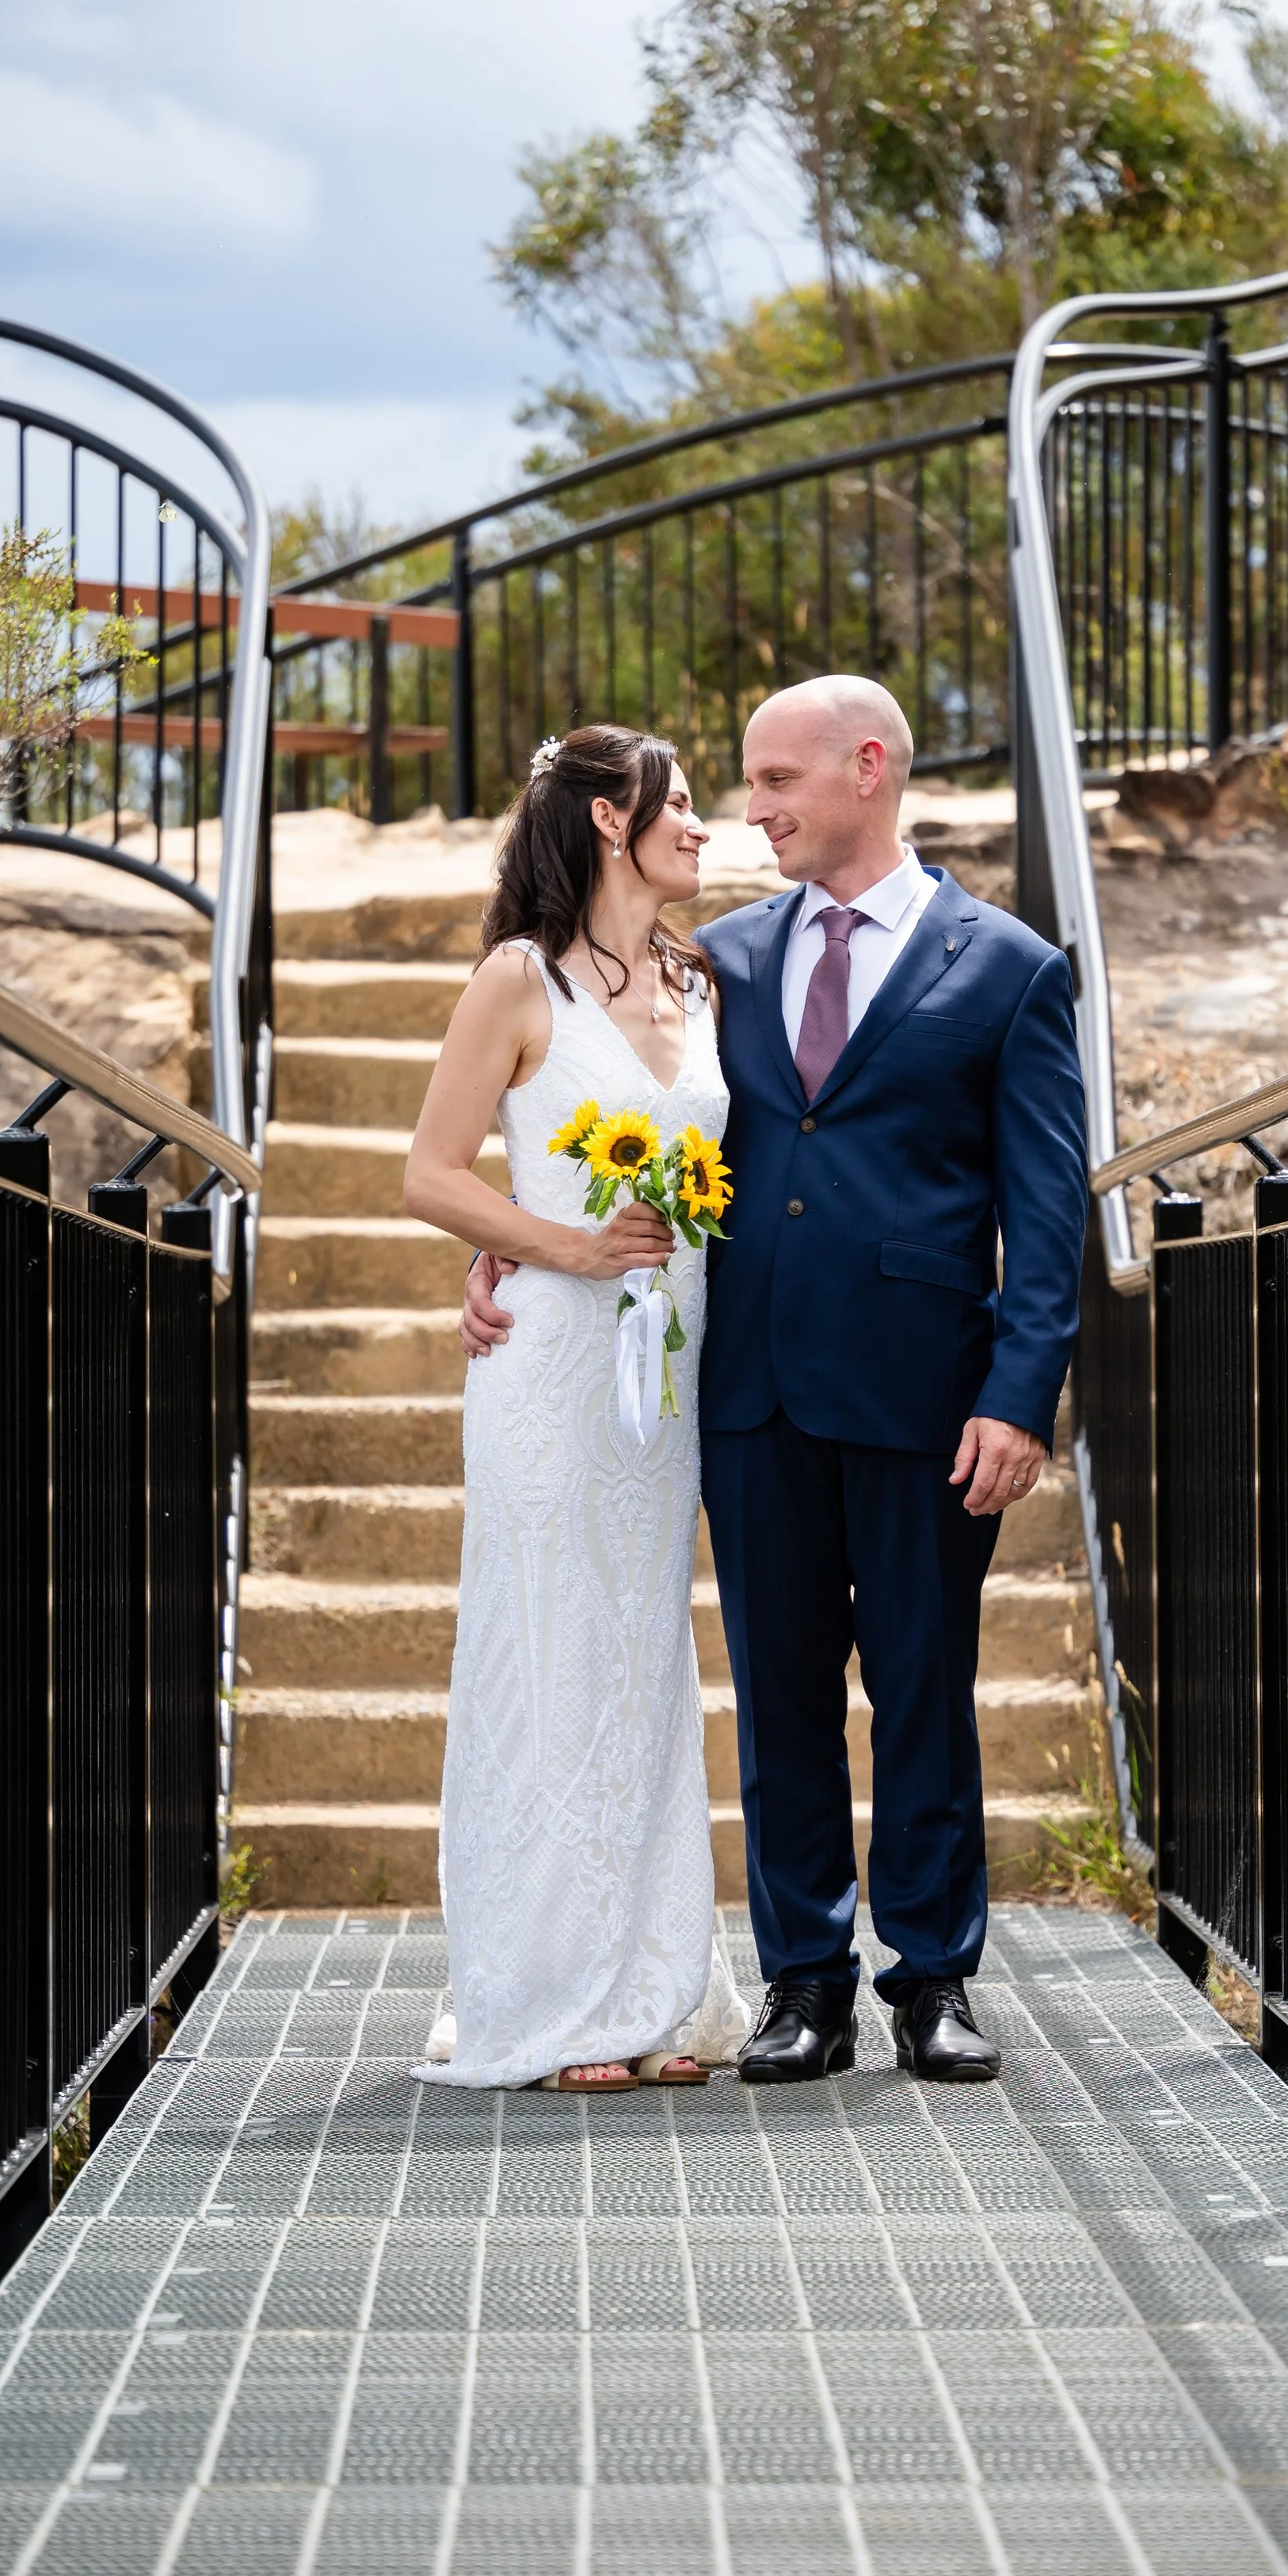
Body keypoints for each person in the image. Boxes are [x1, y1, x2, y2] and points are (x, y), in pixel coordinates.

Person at [464, 675, 1088, 2083]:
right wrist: (524, 1249)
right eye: (743, 783)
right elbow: (599, 1113)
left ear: (868, 768)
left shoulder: (1009, 967)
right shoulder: (715, 963)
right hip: (745, 1389)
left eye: (778, 780)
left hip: (931, 1393)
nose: (755, 809)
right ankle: (803, 1977)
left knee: (925, 1684)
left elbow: (1048, 1215)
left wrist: (1019, 1391)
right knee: (783, 1688)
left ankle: (933, 1975)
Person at [404, 724, 747, 2093]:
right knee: (546, 1657)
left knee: (646, 1659)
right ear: (612, 819)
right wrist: (548, 1247)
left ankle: (656, 1986)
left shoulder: (698, 975)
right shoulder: (517, 978)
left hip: (667, 1383)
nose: (703, 827)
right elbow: (431, 1176)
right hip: (550, 1366)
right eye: (682, 804)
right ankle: (547, 2000)